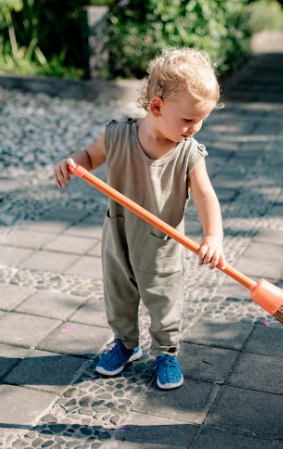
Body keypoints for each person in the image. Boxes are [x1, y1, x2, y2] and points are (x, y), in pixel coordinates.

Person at [53, 47, 225, 390]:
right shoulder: (117, 135)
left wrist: (213, 237)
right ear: (157, 107)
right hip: (118, 237)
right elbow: (89, 155)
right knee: (119, 296)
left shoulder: (188, 152)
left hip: (161, 245)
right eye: (189, 120)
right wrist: (72, 163)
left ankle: (166, 352)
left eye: (200, 119)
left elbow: (206, 195)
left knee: (163, 301)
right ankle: (126, 345)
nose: (195, 128)